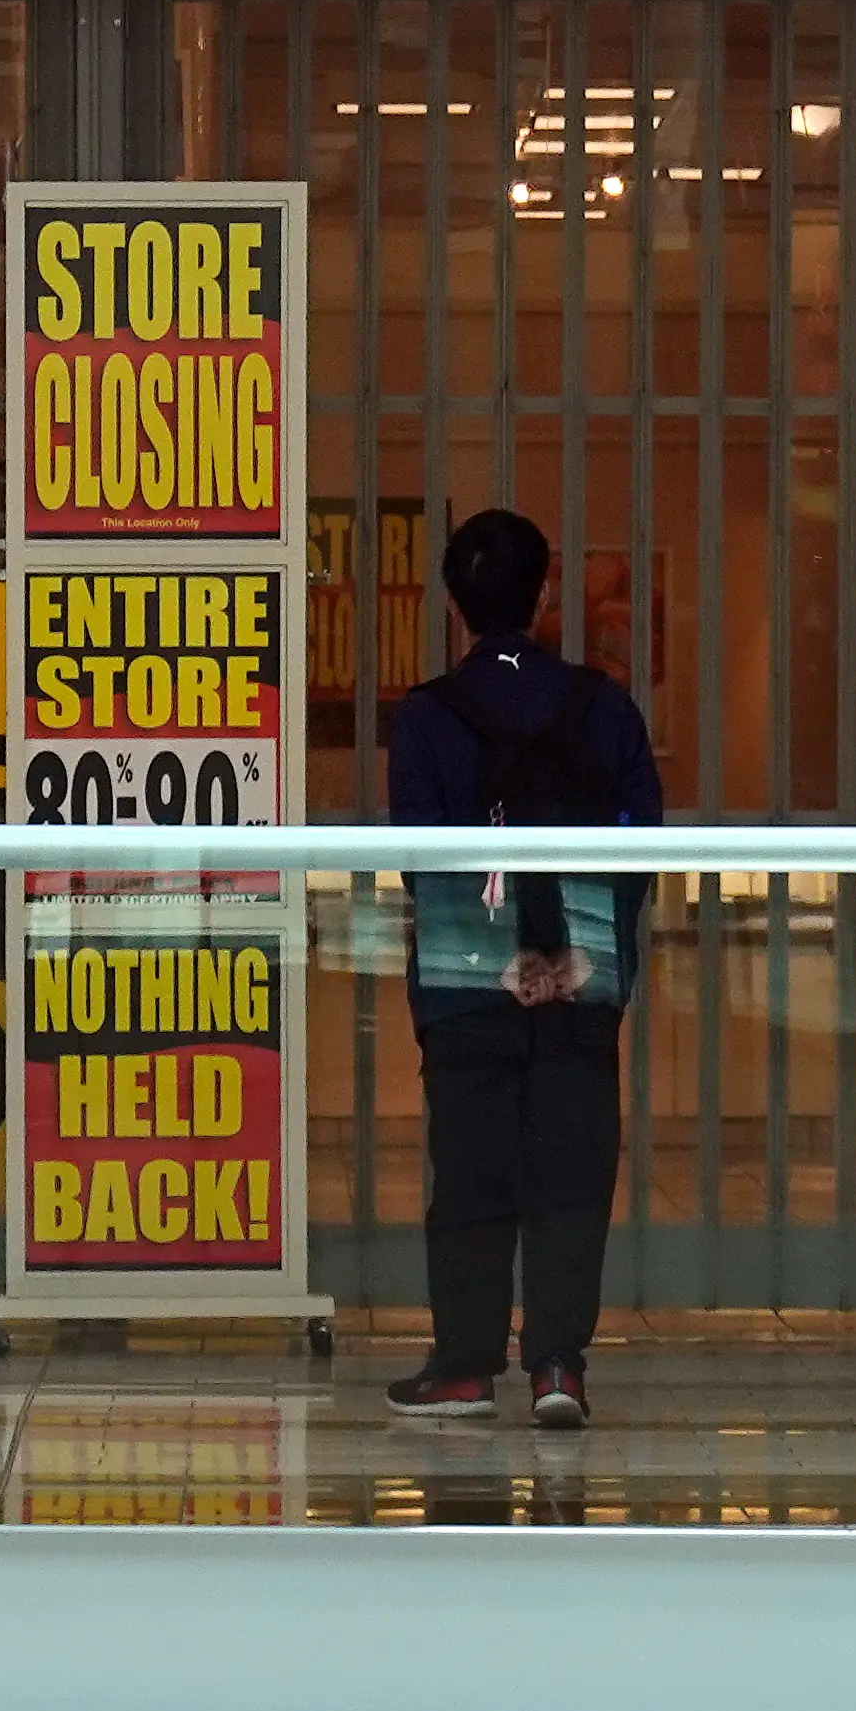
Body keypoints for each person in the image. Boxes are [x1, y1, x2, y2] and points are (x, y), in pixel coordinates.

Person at [379, 508, 662, 1433]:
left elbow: (422, 855)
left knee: (469, 1175)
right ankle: (557, 1366)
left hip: (468, 985)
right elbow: (640, 848)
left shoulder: (425, 717)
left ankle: (464, 1366)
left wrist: (498, 957)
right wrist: (576, 954)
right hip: (582, 982)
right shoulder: (605, 706)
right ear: (544, 594)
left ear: (454, 605)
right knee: (572, 1173)